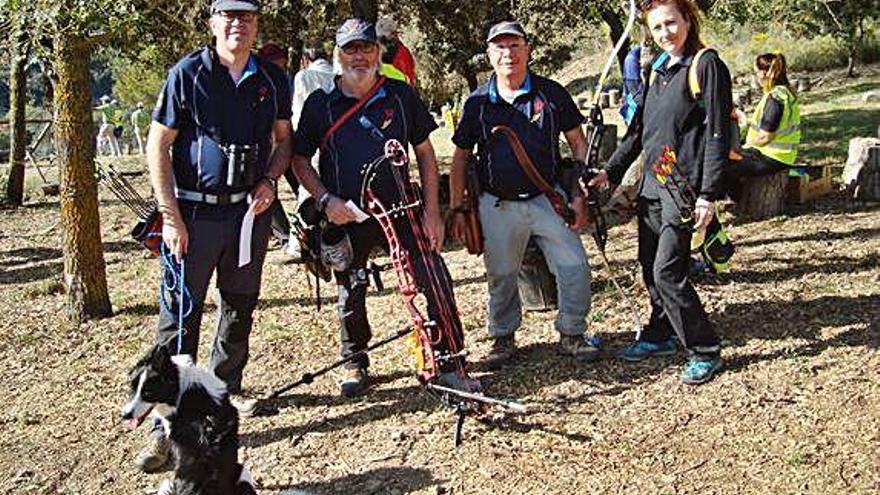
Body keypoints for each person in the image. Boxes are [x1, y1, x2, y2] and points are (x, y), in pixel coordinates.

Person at [134, 0, 292, 472]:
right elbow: (157, 145)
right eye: (228, 16)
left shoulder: (271, 78)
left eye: (246, 17)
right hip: (193, 218)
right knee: (179, 322)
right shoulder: (187, 74)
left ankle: (220, 404)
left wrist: (270, 180)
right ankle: (166, 430)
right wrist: (171, 216)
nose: (237, 25)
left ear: (256, 23)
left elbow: (284, 140)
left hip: (246, 216)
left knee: (238, 310)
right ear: (213, 23)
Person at [292, 18, 475, 397]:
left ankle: (448, 359)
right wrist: (326, 201)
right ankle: (355, 360)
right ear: (337, 55)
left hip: (403, 208)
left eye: (366, 48)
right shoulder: (320, 104)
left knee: (433, 277)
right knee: (350, 289)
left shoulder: (399, 95)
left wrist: (431, 212)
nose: (359, 56)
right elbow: (299, 160)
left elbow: (424, 154)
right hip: (346, 213)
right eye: (350, 49)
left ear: (377, 52)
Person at [448, 20, 598, 370]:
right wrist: (457, 208)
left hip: (549, 199)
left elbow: (579, 145)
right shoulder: (478, 104)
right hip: (497, 203)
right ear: (489, 54)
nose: (507, 53)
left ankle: (573, 333)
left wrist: (580, 192)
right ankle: (502, 337)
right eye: (499, 47)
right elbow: (459, 158)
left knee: (574, 266)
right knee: (501, 273)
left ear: (527, 49)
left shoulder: (551, 93)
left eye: (514, 45)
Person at [594, 0, 728, 385]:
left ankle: (705, 349)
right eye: (656, 28)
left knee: (668, 271)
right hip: (653, 186)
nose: (665, 32)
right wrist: (610, 171)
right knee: (649, 265)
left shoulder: (705, 65)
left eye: (671, 23)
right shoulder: (658, 69)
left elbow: (718, 132)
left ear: (688, 19)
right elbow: (639, 132)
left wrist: (708, 193)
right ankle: (661, 332)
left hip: (683, 190)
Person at [728, 52, 802, 195]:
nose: (756, 77)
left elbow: (765, 137)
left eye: (756, 73)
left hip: (772, 157)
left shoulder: (775, 99)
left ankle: (734, 199)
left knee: (722, 165)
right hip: (780, 155)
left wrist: (743, 146)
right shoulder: (785, 92)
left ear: (765, 74)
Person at [258, 41, 302, 254]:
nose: (281, 67)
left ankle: (311, 228)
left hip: (287, 141)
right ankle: (284, 235)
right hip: (267, 145)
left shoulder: (286, 79)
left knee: (301, 187)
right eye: (278, 63)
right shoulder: (258, 81)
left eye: (283, 63)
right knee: (267, 187)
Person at [375, 15, 416, 84]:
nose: (380, 43)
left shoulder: (402, 53)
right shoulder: (377, 53)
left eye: (383, 39)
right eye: (379, 39)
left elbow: (408, 79)